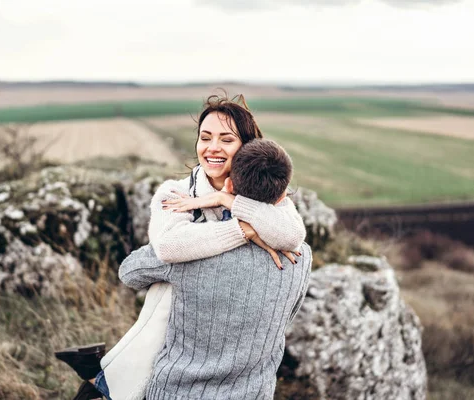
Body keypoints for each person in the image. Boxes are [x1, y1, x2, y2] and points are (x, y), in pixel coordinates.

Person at [56, 95, 307, 399]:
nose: (212, 147)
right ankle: (100, 380)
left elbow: (293, 236)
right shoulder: (175, 193)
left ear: (247, 148)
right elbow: (168, 247)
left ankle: (100, 378)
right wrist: (242, 229)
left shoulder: (272, 198)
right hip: (173, 329)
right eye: (205, 137)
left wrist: (231, 201)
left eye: (226, 139)